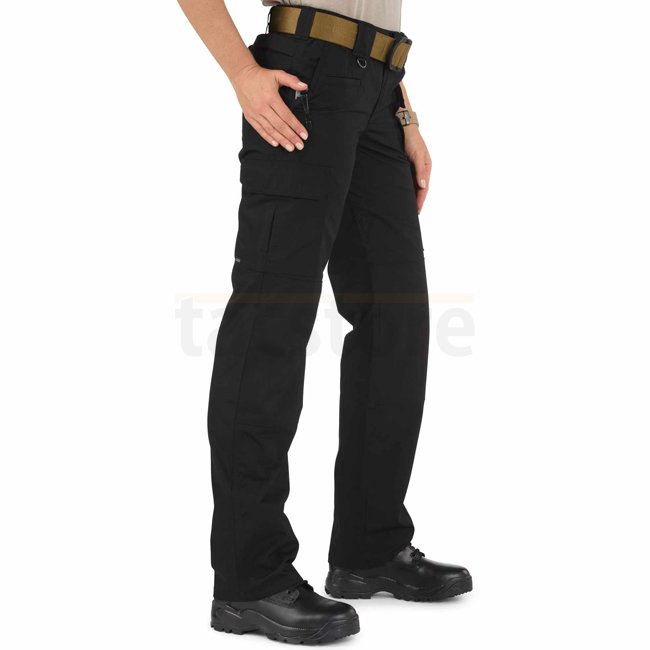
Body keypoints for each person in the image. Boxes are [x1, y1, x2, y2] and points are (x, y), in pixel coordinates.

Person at [177, 0, 472, 644]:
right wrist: (242, 74)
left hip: (381, 87)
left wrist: (404, 113)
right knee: (273, 320)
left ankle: (370, 547)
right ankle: (250, 580)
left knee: (397, 320)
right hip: (303, 80)